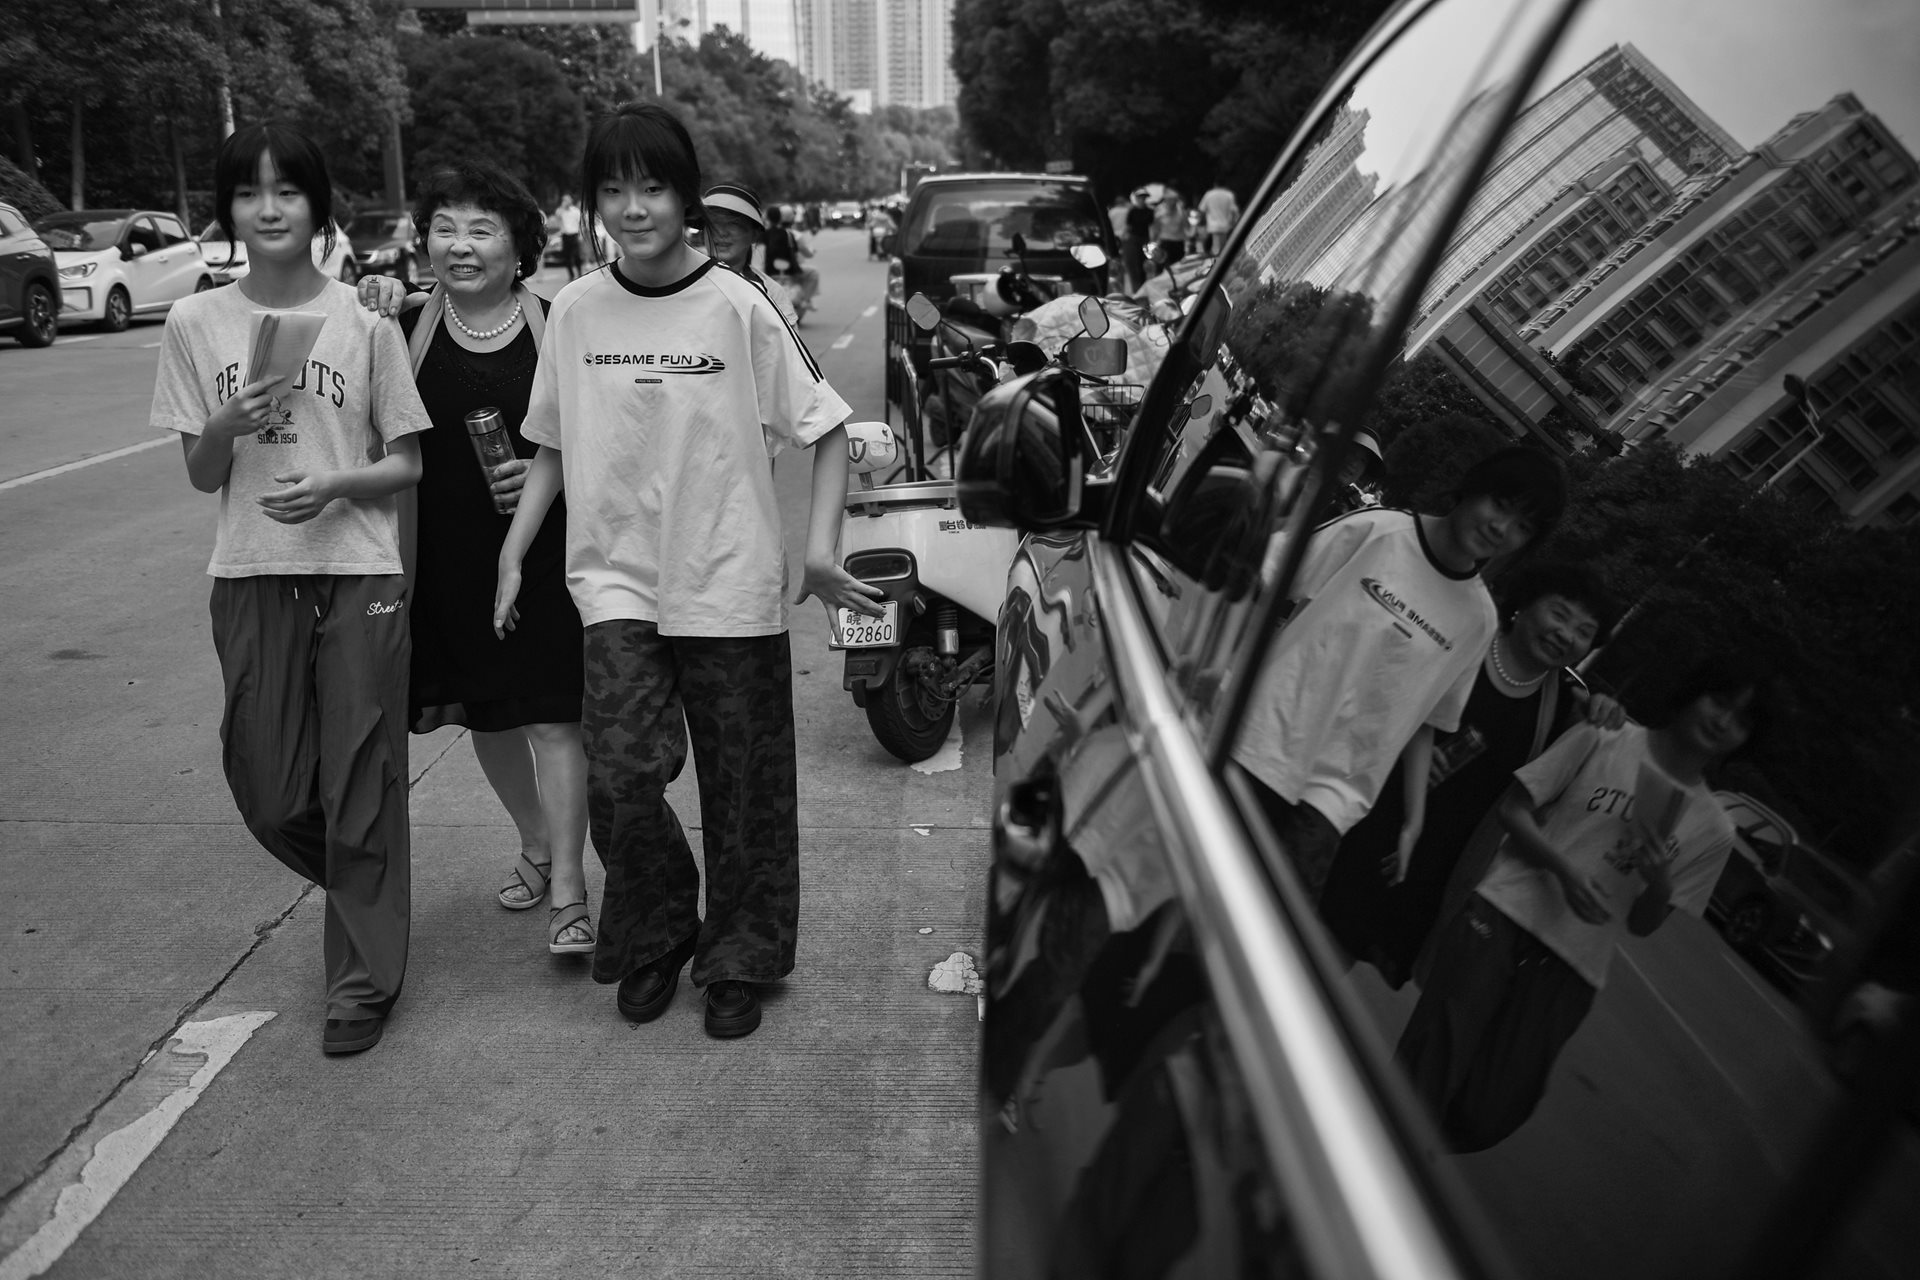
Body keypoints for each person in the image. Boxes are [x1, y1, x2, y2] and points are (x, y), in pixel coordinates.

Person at [495, 102, 883, 1039]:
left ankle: (740, 954)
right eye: (614, 190)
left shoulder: (739, 305)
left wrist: (823, 552)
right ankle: (660, 929)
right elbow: (547, 444)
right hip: (616, 580)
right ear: (592, 204)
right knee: (624, 775)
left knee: (743, 787)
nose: (635, 208)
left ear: (686, 198)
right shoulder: (579, 309)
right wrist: (514, 553)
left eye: (654, 187)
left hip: (728, 578)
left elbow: (827, 430)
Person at [151, 123, 430, 1056]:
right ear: (226, 209)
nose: (268, 210)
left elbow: (407, 463)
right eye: (247, 194)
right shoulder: (195, 323)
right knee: (271, 792)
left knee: (359, 779)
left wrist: (336, 484)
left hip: (358, 568)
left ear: (318, 205)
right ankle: (374, 889)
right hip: (251, 573)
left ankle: (360, 982)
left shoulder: (367, 319)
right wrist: (225, 424)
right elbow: (199, 475)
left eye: (287, 192)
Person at [356, 163, 593, 957]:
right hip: (447, 550)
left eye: (481, 229)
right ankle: (534, 839)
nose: (460, 246)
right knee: (486, 713)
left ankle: (569, 887)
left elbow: (608, 437)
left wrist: (552, 469)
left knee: (556, 715)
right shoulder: (405, 324)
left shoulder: (562, 324)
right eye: (445, 228)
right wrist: (370, 294)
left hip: (547, 546)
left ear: (520, 247)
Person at [1396, 657, 1776, 1151]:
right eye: (1719, 701)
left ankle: (1404, 1147)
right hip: (1502, 913)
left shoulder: (1714, 828)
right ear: (1691, 694)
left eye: (1742, 720)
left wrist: (1659, 881)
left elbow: (1643, 924)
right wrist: (1562, 869)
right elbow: (1515, 810)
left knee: (1487, 1111)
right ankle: (1377, 1164)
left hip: (1574, 965)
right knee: (1428, 1070)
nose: (1723, 722)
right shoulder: (1606, 736)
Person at [1231, 445, 1567, 898]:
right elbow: (1262, 583)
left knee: (1255, 937)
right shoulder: (1378, 531)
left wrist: (1413, 823)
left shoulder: (1479, 620)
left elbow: (1427, 721)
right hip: (1257, 744)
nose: (1500, 528)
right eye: (1500, 505)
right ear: (1471, 489)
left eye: (1522, 526)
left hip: (1332, 800)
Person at [1318, 561, 1624, 988]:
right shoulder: (1460, 642)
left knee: (1330, 960)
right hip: (1360, 814)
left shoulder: (1563, 712)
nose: (1565, 635)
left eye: (1583, 630)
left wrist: (1605, 710)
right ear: (1524, 605)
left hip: (1427, 863)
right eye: (1559, 614)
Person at [700, 181, 799, 328]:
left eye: (733, 224)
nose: (721, 232)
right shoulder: (679, 282)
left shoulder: (772, 293)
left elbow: (786, 348)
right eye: (713, 223)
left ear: (754, 235)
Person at [762, 203, 819, 317]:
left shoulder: (763, 235)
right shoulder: (791, 234)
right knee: (813, 273)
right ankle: (806, 301)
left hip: (768, 272)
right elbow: (804, 253)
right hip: (790, 271)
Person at [1122, 190, 1154, 294]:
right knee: (1133, 265)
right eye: (1140, 198)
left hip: (1145, 239)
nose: (1142, 200)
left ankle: (1144, 289)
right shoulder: (1132, 211)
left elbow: (1152, 226)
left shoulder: (1149, 211)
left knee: (1143, 265)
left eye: (1143, 198)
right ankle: (1136, 290)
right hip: (1133, 239)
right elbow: (1128, 226)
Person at [1198, 179, 1239, 256]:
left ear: (1215, 184)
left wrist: (1202, 224)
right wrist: (1233, 223)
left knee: (1217, 248)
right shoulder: (1229, 195)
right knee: (1223, 247)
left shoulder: (1208, 194)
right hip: (1226, 226)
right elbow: (1234, 211)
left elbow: (1202, 210)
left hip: (1213, 226)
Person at [1152, 187, 1188, 274]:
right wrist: (1154, 242)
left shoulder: (1181, 211)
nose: (1173, 202)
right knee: (1163, 269)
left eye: (1175, 200)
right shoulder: (1159, 211)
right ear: (1166, 200)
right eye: (1170, 200)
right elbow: (1155, 228)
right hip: (1165, 243)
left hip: (1178, 243)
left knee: (1177, 269)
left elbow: (1185, 226)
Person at [555, 194, 583, 280]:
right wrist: (562, 208)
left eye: (567, 200)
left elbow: (580, 223)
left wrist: (580, 235)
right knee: (567, 256)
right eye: (564, 200)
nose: (566, 202)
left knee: (576, 255)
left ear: (571, 201)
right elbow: (557, 217)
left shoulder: (575, 211)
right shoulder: (560, 211)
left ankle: (579, 272)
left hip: (574, 235)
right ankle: (571, 274)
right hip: (565, 236)